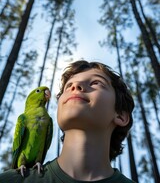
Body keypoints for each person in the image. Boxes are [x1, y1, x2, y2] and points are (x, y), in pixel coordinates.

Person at [0, 60, 136, 182]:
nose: (75, 86)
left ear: (121, 116)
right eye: (68, 85)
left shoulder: (47, 123)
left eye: (96, 82)